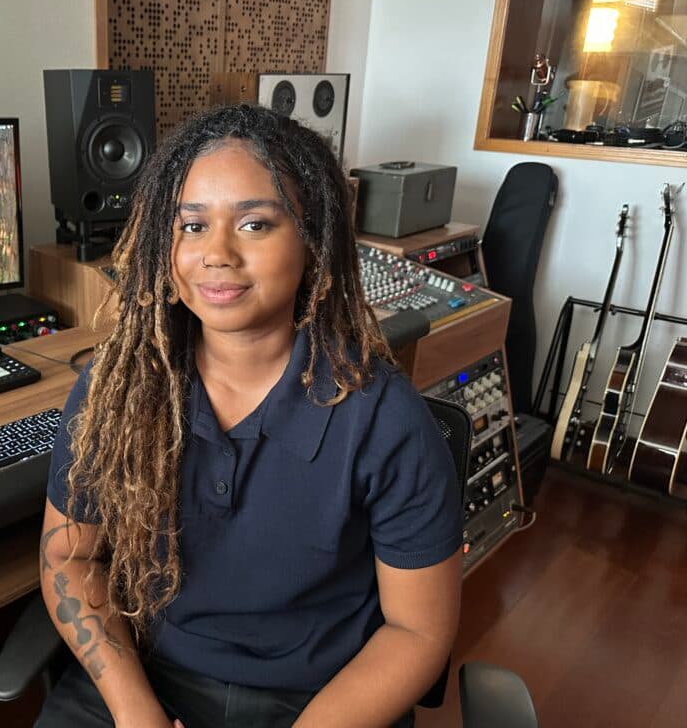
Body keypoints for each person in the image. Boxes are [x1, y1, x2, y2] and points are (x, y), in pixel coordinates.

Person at [36, 104, 462, 728]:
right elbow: (70, 560)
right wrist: (135, 713)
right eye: (192, 225)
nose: (217, 253)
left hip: (323, 699)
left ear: (312, 240)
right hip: (150, 678)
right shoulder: (116, 391)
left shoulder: (385, 419)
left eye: (255, 224)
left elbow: (418, 631)